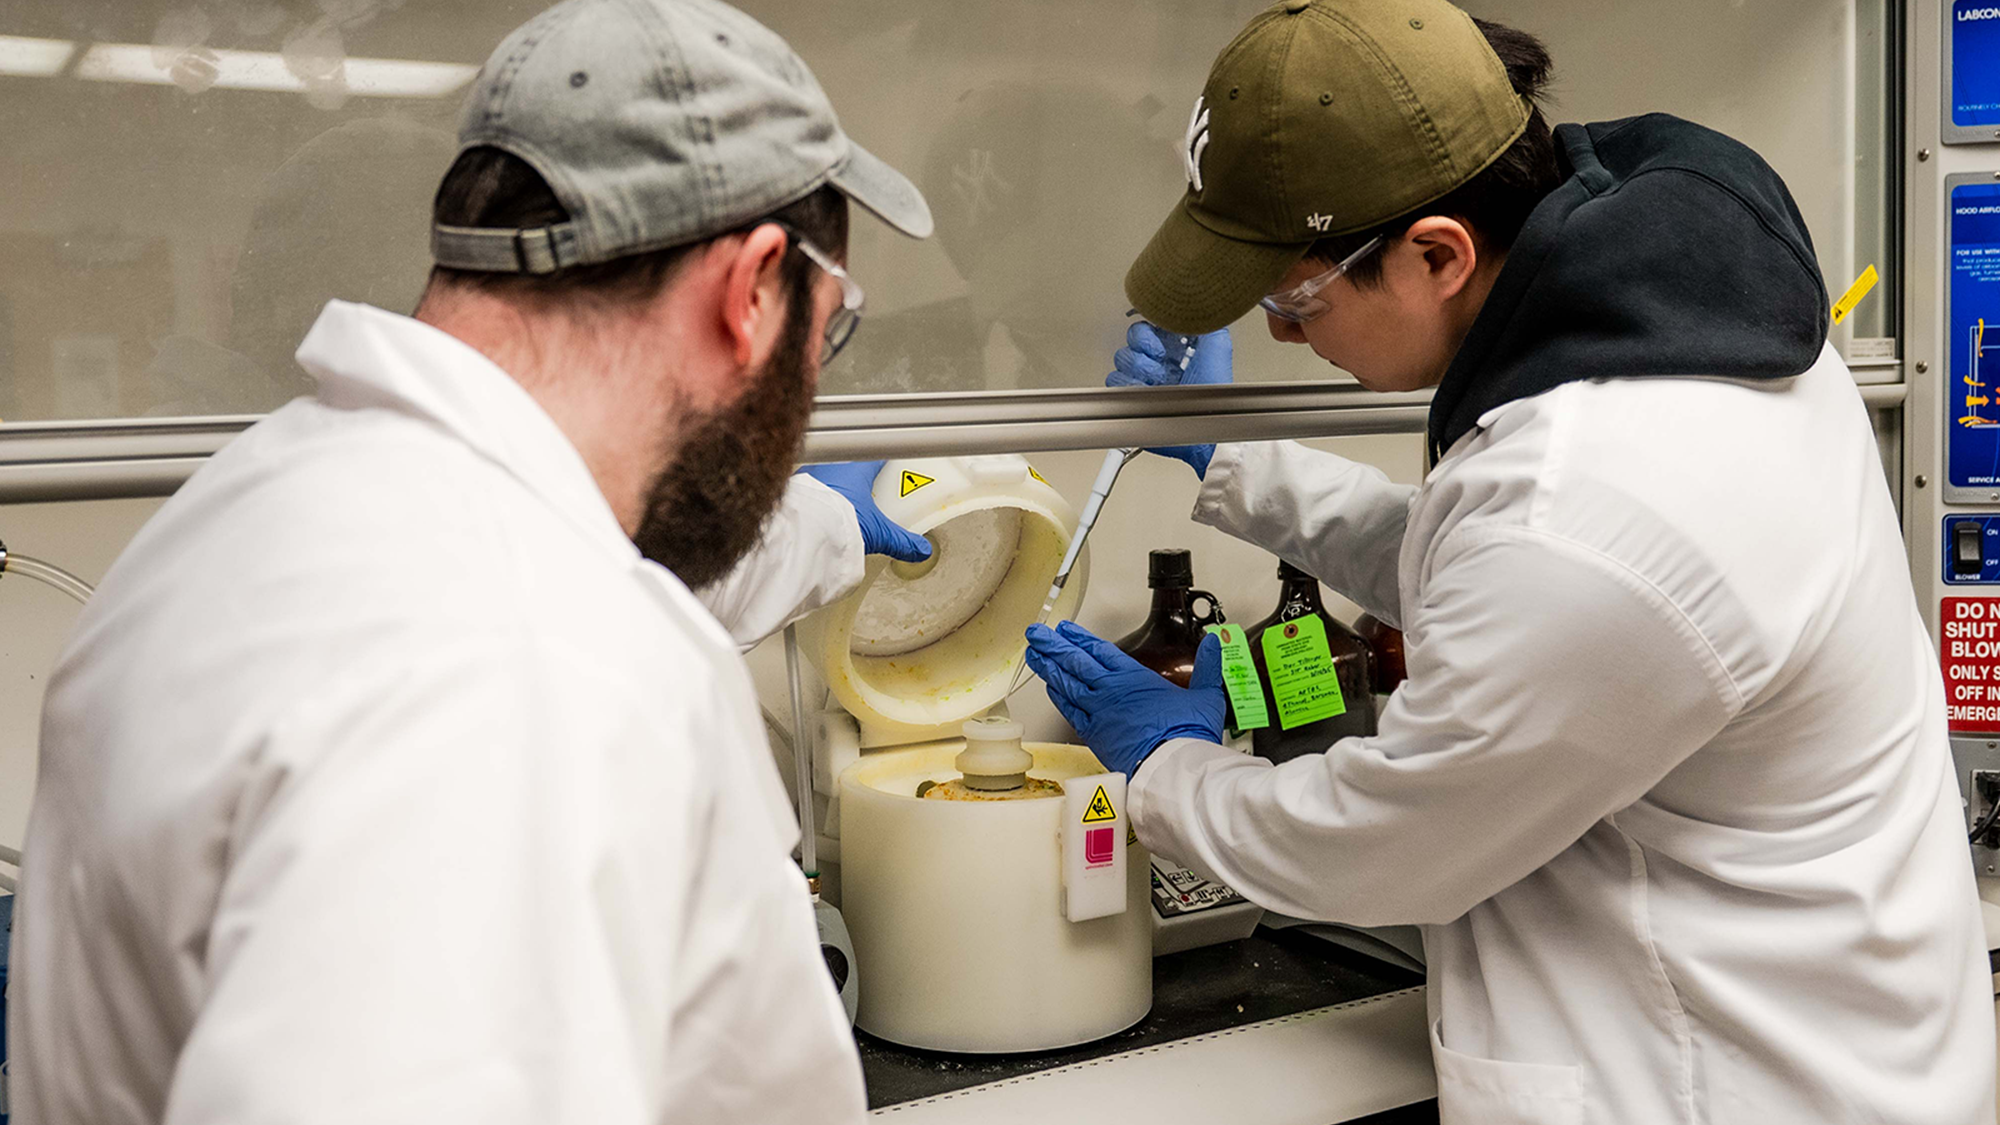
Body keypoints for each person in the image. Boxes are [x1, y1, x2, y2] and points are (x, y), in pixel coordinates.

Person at [1023, 2, 1996, 1122]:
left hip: (1736, 1085)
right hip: (1833, 1027)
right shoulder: (1678, 319)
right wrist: (1233, 457)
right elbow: (1486, 572)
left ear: (1438, 254)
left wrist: (1165, 766)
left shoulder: (1593, 504)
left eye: (1293, 300)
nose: (1284, 336)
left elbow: (1382, 848)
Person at [9, 1, 932, 1122]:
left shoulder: (252, 509)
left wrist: (821, 529)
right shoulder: (515, 668)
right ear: (750, 291)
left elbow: (610, 566)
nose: (811, 389)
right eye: (823, 333)